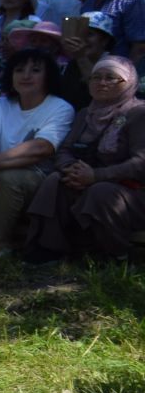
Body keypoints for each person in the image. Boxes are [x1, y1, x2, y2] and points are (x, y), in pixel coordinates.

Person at [0, 47, 74, 259]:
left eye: (35, 70)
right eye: (19, 70)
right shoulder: (1, 104)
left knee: (6, 178)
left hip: (37, 177)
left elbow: (41, 148)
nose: (26, 76)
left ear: (49, 76)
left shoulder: (60, 107)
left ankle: (0, 244)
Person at [24, 57, 145, 261]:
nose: (102, 83)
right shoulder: (85, 114)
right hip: (88, 180)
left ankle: (115, 255)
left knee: (101, 192)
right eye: (96, 77)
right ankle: (50, 248)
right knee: (55, 181)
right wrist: (72, 169)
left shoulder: (139, 113)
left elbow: (141, 163)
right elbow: (64, 150)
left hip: (132, 190)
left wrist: (96, 176)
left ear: (130, 82)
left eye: (111, 78)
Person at [59, 11, 120, 109]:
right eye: (80, 34)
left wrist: (81, 57)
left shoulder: (116, 65)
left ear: (104, 41)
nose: (83, 39)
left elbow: (103, 93)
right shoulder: (72, 65)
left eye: (89, 34)